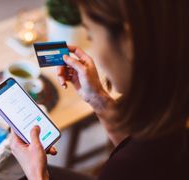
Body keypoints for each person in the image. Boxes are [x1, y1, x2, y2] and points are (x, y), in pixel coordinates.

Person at [10, 0, 189, 180]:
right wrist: (96, 98)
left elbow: (135, 160)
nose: (93, 49)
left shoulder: (126, 168)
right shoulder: (168, 127)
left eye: (91, 36)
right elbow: (135, 147)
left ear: (128, 42)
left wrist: (36, 174)